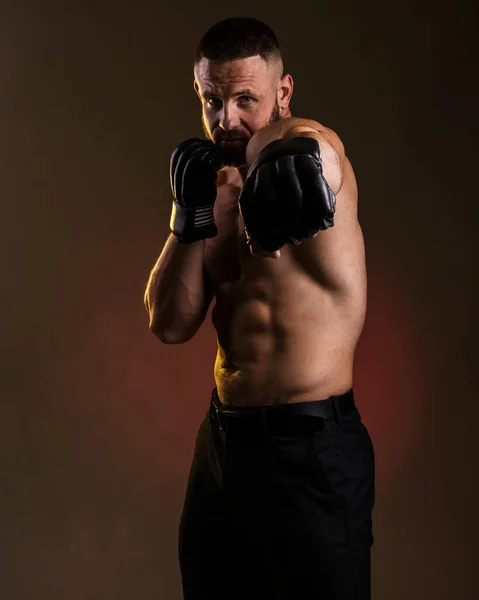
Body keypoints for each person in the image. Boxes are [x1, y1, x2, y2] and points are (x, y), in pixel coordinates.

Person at [144, 16, 375, 600]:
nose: (227, 120)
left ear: (284, 93)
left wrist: (288, 148)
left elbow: (314, 147)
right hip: (223, 448)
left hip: (311, 451)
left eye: (246, 99)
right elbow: (169, 324)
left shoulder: (305, 158)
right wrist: (186, 217)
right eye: (212, 100)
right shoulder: (214, 190)